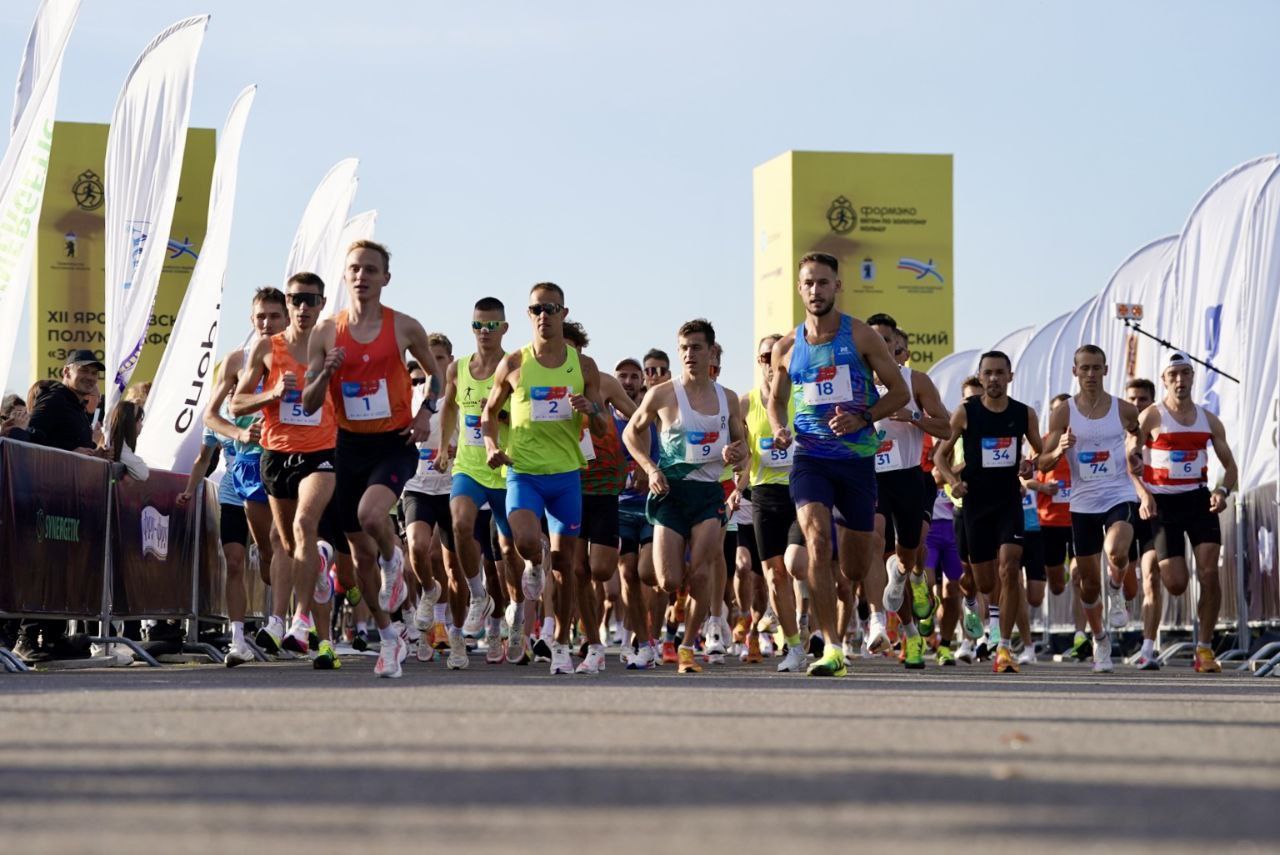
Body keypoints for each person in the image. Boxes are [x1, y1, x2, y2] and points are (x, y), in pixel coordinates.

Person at [301, 240, 443, 679]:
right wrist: (326, 372)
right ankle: (388, 638)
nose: (361, 276)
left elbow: (436, 377)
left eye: (370, 269)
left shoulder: (405, 327)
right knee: (359, 556)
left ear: (385, 278)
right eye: (354, 269)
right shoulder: (327, 332)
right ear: (345, 276)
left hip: (393, 443)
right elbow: (308, 402)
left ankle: (392, 560)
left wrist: (425, 412)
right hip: (349, 446)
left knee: (371, 515)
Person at [767, 253, 909, 677]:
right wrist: (778, 428)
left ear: (837, 286)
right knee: (816, 542)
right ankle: (831, 647)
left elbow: (899, 392)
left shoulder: (861, 336)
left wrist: (864, 417)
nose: (816, 290)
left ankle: (863, 609)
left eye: (824, 282)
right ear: (799, 288)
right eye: (809, 283)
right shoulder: (786, 347)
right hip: (810, 457)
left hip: (856, 461)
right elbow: (776, 400)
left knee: (853, 567)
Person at [483, 282, 607, 676]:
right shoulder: (513, 363)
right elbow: (489, 414)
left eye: (551, 308)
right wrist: (490, 446)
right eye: (537, 309)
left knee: (566, 565)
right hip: (524, 473)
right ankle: (533, 564)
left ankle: (561, 645)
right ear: (528, 314)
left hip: (566, 476)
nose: (543, 315)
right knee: (523, 540)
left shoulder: (583, 366)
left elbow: (602, 427)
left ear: (563, 314)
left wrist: (591, 410)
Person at [232, 272, 341, 671]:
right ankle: (284, 622)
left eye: (311, 299)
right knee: (284, 543)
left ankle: (302, 621)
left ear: (322, 303)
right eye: (296, 299)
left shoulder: (334, 344)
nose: (303, 307)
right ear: (289, 302)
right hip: (277, 453)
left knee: (303, 526)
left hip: (321, 452)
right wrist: (272, 393)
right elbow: (237, 404)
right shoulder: (268, 347)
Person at [624, 318, 746, 674]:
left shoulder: (728, 399)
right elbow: (631, 434)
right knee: (668, 580)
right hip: (670, 494)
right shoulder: (662, 394)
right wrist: (650, 468)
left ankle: (688, 647)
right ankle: (677, 603)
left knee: (702, 573)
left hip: (707, 494)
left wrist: (736, 454)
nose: (689, 354)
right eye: (683, 348)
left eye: (696, 347)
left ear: (711, 351)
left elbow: (743, 447)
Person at [934, 351, 1043, 674]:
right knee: (984, 582)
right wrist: (954, 481)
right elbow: (940, 457)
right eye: (988, 373)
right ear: (981, 378)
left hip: (1009, 501)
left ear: (1010, 377)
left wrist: (1032, 463)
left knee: (1010, 568)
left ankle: (1004, 647)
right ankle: (989, 621)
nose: (994, 378)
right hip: (976, 505)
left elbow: (1039, 450)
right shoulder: (966, 412)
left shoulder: (1024, 413)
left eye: (1000, 373)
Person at [1038, 345, 1143, 673]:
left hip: (1118, 493)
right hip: (1083, 502)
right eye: (1084, 368)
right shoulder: (1063, 413)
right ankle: (1099, 640)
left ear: (1106, 370)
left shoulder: (1124, 409)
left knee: (1117, 551)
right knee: (1087, 583)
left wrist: (1135, 453)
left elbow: (1137, 434)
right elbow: (1042, 462)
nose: (1091, 374)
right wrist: (1059, 449)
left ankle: (1116, 589)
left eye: (1097, 368)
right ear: (1075, 371)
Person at [436, 297, 527, 664]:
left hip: (505, 469)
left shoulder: (516, 367)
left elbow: (528, 413)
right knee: (460, 524)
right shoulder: (457, 368)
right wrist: (443, 447)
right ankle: (478, 595)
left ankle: (517, 615)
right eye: (478, 325)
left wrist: (502, 419)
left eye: (491, 326)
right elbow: (448, 407)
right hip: (470, 468)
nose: (484, 332)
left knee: (509, 550)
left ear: (504, 328)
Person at [1135, 352, 1238, 674]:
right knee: (1177, 583)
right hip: (1163, 504)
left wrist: (1222, 491)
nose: (1180, 380)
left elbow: (1230, 467)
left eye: (1185, 374)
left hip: (1198, 500)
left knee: (1209, 573)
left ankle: (1204, 649)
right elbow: (1128, 458)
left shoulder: (1209, 420)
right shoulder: (1152, 416)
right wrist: (1144, 495)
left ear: (1192, 377)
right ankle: (1148, 643)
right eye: (1173, 375)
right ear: (1164, 380)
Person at [865, 315, 951, 671]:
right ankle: (902, 631)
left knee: (908, 555)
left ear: (896, 347)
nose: (881, 347)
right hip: (871, 478)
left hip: (908, 477)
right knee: (874, 538)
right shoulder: (854, 382)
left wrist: (912, 417)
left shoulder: (916, 381)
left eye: (887, 341)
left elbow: (946, 427)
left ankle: (910, 575)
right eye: (873, 340)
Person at [564, 321, 637, 674]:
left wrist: (641, 460)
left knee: (601, 569)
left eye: (572, 349)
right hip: (570, 483)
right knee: (577, 569)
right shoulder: (543, 383)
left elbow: (638, 418)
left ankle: (595, 631)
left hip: (606, 485)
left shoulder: (603, 382)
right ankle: (593, 643)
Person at [741, 334, 808, 673]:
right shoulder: (745, 403)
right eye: (766, 356)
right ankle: (794, 646)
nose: (771, 362)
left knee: (796, 564)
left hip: (801, 490)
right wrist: (733, 457)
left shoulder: (802, 396)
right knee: (774, 573)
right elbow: (740, 449)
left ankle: (808, 617)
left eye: (778, 356)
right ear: (759, 361)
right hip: (763, 494)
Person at [614, 357, 664, 669]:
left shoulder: (651, 418)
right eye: (623, 376)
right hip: (619, 508)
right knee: (627, 573)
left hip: (649, 507)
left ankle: (652, 634)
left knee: (648, 573)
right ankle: (642, 642)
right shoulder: (606, 420)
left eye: (634, 377)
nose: (629, 382)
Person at [1124, 378, 1163, 669]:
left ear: (1152, 401)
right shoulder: (1115, 432)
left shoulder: (1162, 431)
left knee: (1151, 576)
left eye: (1143, 399)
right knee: (1128, 586)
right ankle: (1120, 589)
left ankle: (1148, 648)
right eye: (1132, 399)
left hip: (1153, 511)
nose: (1137, 405)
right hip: (1124, 510)